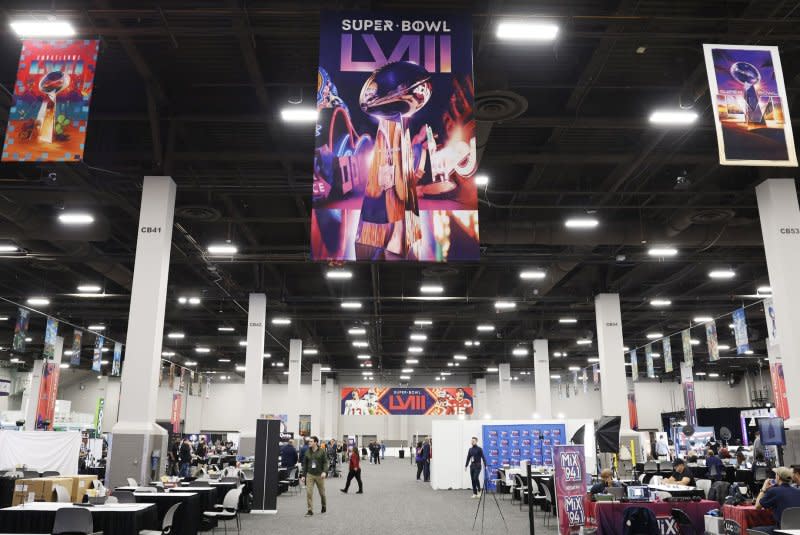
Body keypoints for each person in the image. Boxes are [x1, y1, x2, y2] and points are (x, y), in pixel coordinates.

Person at [754, 466, 800, 534]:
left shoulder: (774, 491)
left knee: (753, 530)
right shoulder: (798, 491)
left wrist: (763, 489)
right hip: (797, 530)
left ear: (778, 477)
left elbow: (757, 506)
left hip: (781, 530)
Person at [300, 436, 328, 517]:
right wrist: (303, 475)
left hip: (320, 475)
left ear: (315, 442)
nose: (309, 443)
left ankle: (324, 505)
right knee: (309, 492)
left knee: (322, 493)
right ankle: (310, 510)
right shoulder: (307, 452)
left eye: (311, 441)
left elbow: (325, 463)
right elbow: (304, 465)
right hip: (310, 475)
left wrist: (324, 472)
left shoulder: (322, 451)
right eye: (309, 441)